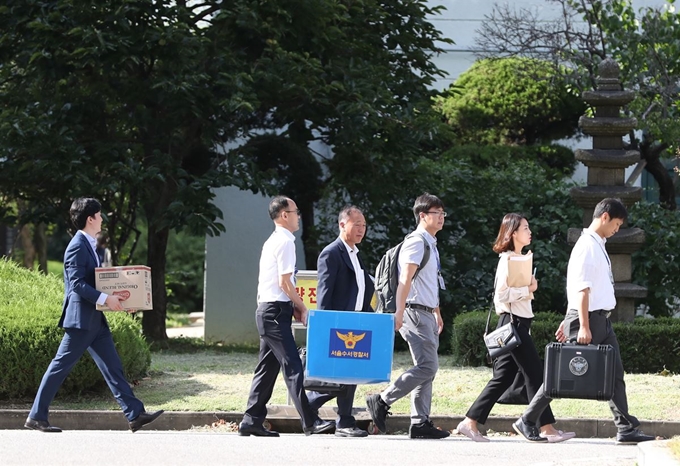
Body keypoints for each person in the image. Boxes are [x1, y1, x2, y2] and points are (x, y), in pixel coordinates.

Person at [515, 198, 656, 445]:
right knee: (561, 374)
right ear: (605, 217)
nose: (617, 229)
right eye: (617, 223)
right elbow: (582, 289)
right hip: (589, 319)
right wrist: (581, 324)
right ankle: (527, 420)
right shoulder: (587, 246)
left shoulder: (597, 244)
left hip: (600, 320)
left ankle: (625, 428)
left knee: (615, 374)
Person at [25, 198, 163, 433]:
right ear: (90, 219)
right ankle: (36, 417)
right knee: (59, 367)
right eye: (99, 215)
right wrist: (105, 299)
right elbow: (77, 284)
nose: (102, 219)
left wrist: (120, 300)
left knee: (113, 367)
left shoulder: (90, 243)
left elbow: (96, 282)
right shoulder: (78, 245)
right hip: (80, 321)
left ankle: (135, 414)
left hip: (94, 320)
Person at [456, 213, 575, 443]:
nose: (529, 232)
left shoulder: (519, 258)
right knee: (535, 375)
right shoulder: (507, 260)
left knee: (504, 377)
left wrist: (528, 289)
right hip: (512, 325)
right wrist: (528, 289)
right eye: (525, 228)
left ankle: (470, 421)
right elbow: (501, 295)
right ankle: (544, 427)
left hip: (519, 324)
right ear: (513, 233)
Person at [239, 196, 334, 437]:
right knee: (292, 365)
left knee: (266, 370)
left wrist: (292, 308)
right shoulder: (285, 242)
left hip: (271, 311)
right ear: (284, 215)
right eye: (296, 211)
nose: (298, 216)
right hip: (273, 313)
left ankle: (251, 420)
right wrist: (302, 306)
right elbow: (284, 283)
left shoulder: (274, 241)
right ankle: (310, 421)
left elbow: (277, 284)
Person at [365, 193, 450, 439]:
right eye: (437, 213)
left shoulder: (431, 244)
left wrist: (436, 311)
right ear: (422, 216)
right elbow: (405, 280)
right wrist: (399, 312)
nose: (442, 217)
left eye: (443, 213)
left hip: (425, 311)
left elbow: (429, 283)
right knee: (428, 366)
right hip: (413, 311)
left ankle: (420, 422)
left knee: (427, 368)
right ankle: (381, 399)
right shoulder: (416, 242)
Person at [306, 206, 374, 438]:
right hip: (338, 324)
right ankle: (318, 408)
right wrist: (325, 326)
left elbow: (362, 288)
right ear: (342, 225)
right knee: (342, 375)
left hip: (357, 322)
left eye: (364, 225)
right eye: (357, 224)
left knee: (351, 372)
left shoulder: (355, 254)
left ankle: (340, 418)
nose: (361, 229)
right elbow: (324, 293)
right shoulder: (331, 253)